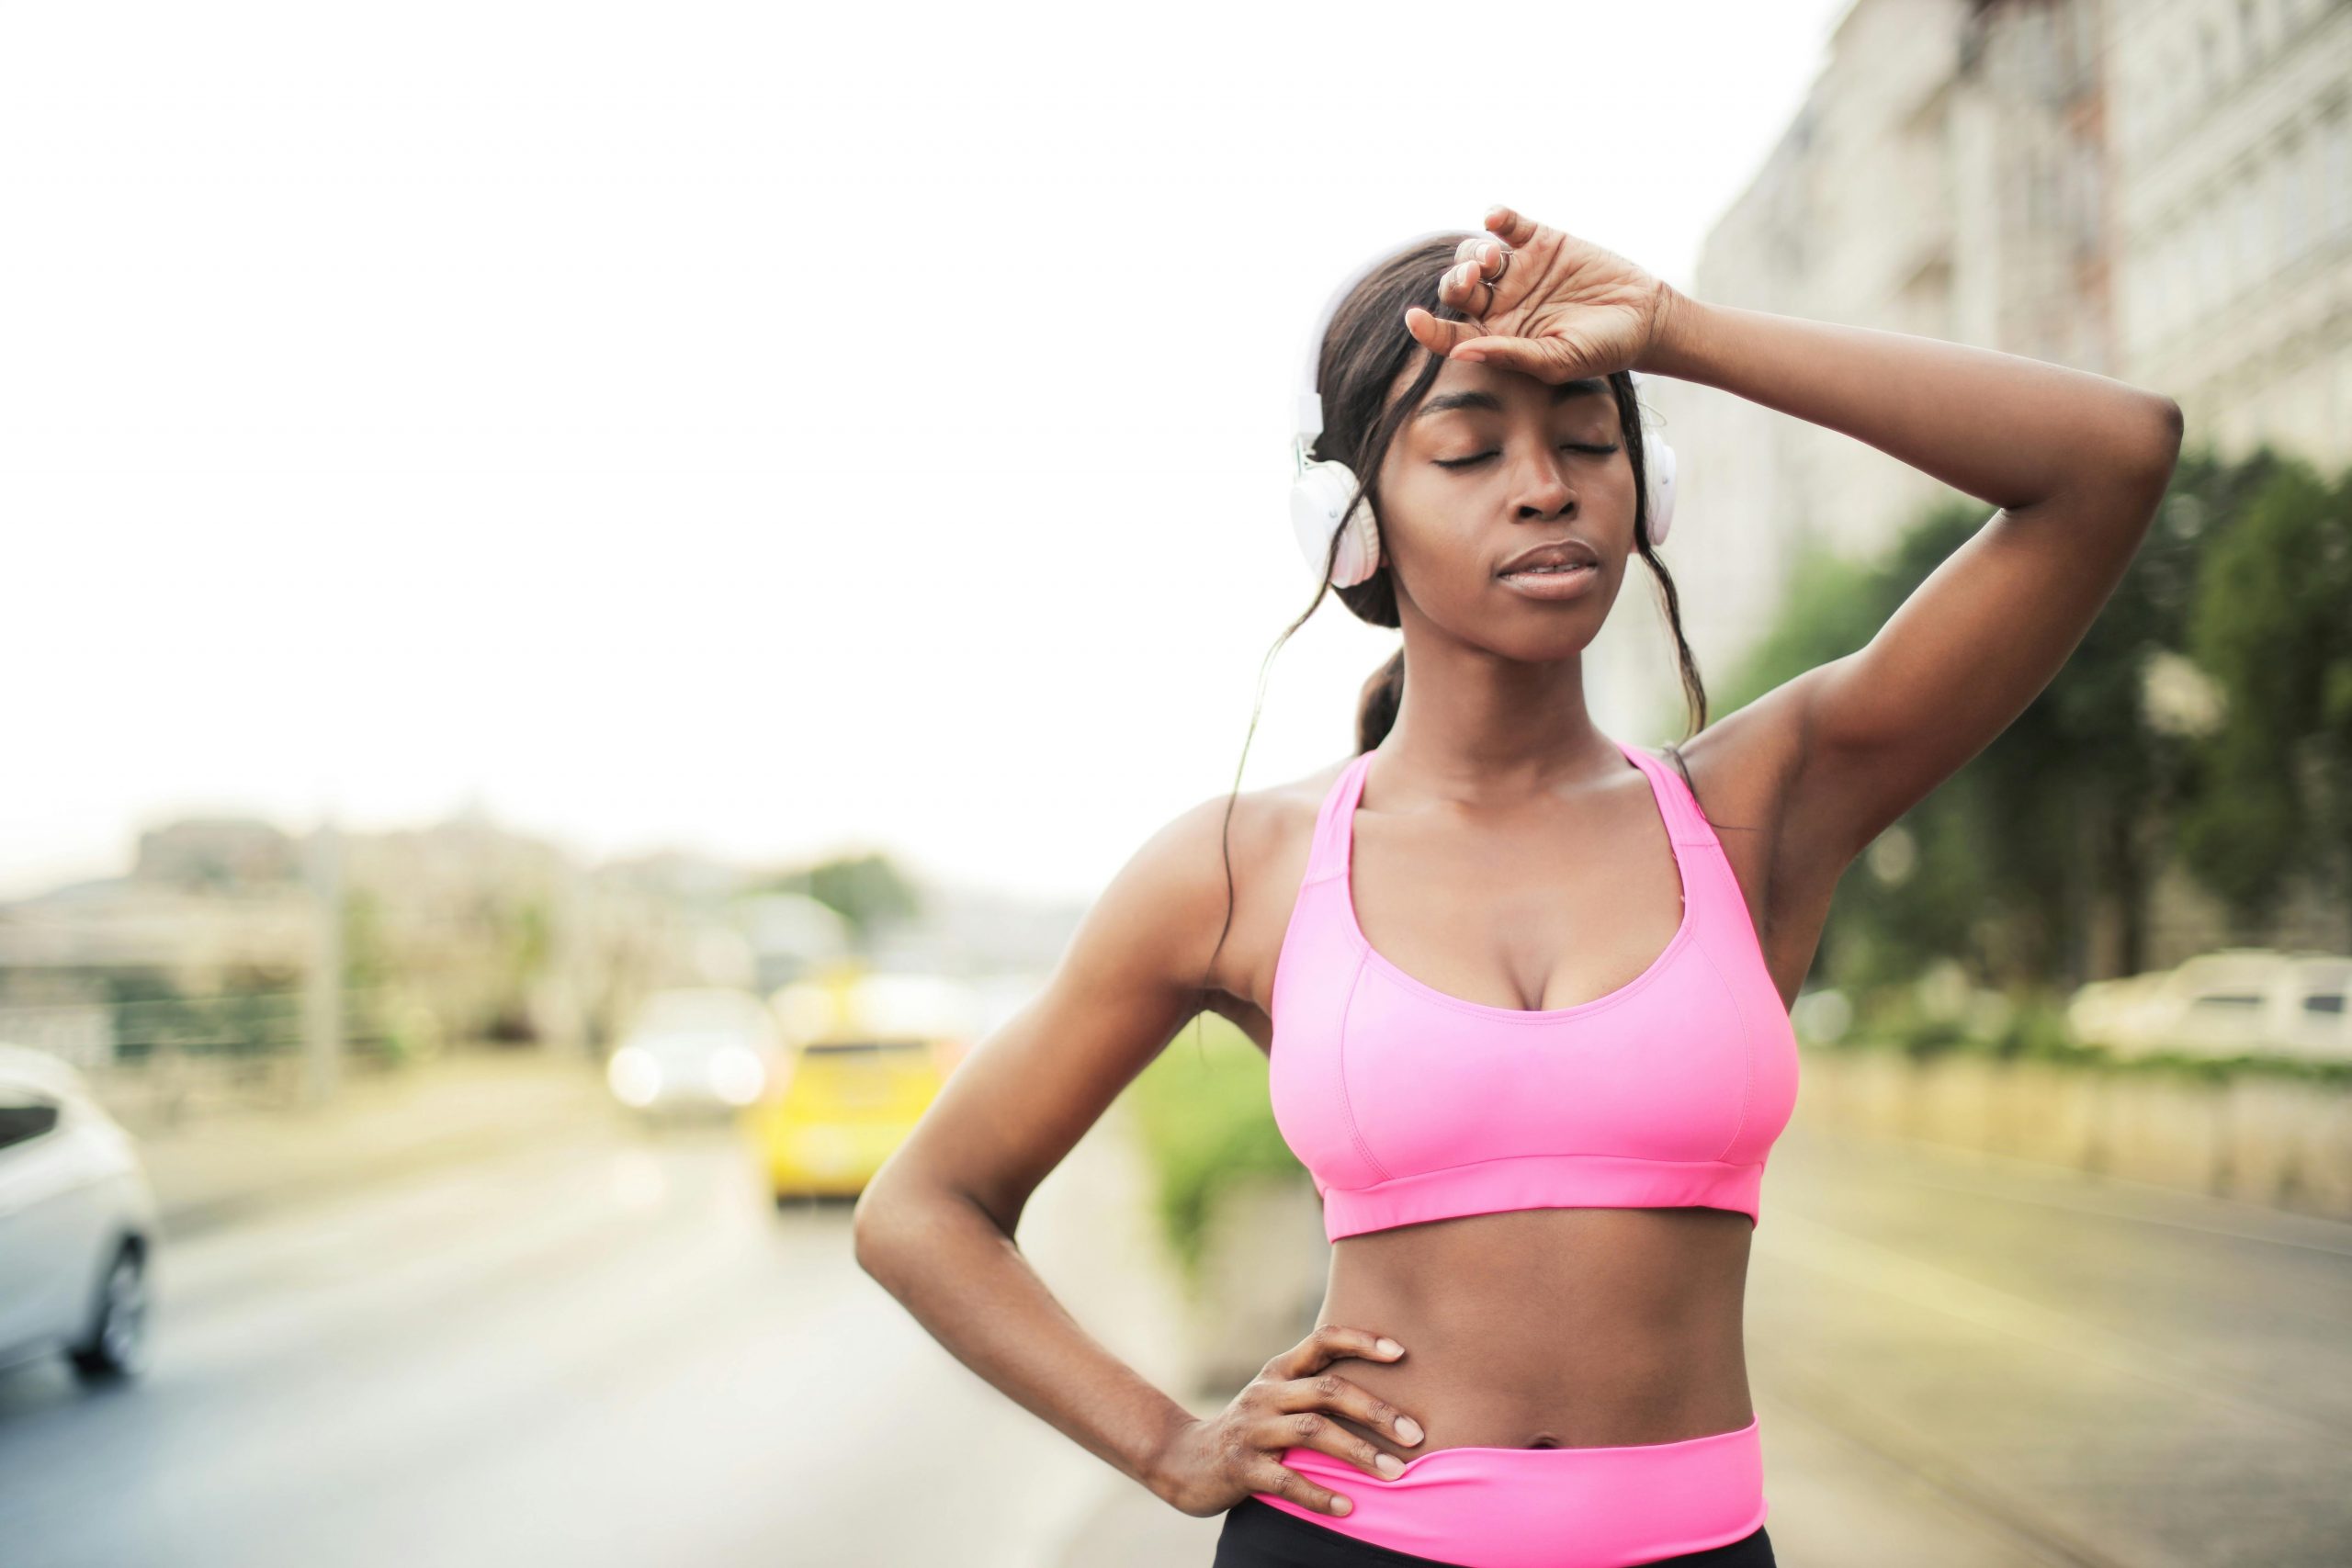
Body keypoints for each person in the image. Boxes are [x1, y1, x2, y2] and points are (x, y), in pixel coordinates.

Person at [851, 204, 2184, 1568]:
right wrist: (1169, 1443)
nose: (1544, 486)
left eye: (1589, 442)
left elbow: (2114, 459)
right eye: (1470, 449)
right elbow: (924, 1211)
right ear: (1355, 523)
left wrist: (1679, 332)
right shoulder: (1244, 868)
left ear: (1644, 486)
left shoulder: (1759, 809)